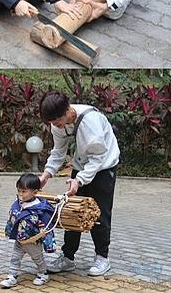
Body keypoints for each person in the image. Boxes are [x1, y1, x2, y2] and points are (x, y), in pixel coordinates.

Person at [38, 91, 120, 276]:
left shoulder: (91, 122)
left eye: (56, 121)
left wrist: (80, 180)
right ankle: (67, 258)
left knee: (99, 212)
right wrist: (45, 175)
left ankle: (102, 258)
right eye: (51, 123)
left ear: (68, 111)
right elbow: (58, 151)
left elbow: (98, 158)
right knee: (71, 210)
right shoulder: (58, 124)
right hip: (82, 164)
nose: (55, 126)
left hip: (104, 166)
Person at [0, 173, 56, 288]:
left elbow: (47, 228)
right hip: (20, 240)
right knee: (15, 257)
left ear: (35, 192)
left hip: (33, 241)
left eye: (24, 192)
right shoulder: (18, 204)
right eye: (19, 191)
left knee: (38, 259)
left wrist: (49, 245)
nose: (20, 194)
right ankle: (12, 275)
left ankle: (43, 273)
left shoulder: (41, 210)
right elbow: (12, 219)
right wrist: (9, 231)